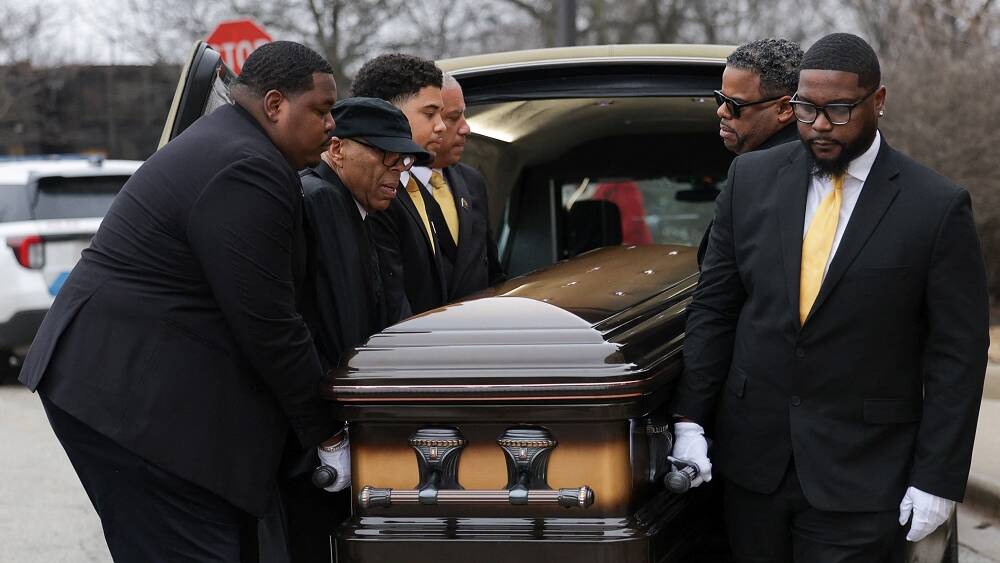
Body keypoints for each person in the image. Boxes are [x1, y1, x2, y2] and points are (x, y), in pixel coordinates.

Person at [18, 41, 350, 562]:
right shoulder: (248, 167)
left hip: (128, 386)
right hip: (127, 399)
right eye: (322, 110)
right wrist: (326, 434)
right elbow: (268, 322)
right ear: (275, 105)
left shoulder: (236, 146)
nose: (332, 125)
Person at [670, 33, 989, 562]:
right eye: (806, 109)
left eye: (838, 110)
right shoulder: (749, 179)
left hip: (865, 476)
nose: (819, 125)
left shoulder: (936, 206)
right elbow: (715, 309)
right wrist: (690, 420)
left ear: (877, 101)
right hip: (754, 469)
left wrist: (938, 477)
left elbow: (958, 353)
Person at [282, 97, 429, 562]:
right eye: (385, 156)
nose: (397, 172)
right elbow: (312, 328)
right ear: (337, 149)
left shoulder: (357, 208)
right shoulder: (319, 200)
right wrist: (329, 435)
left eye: (404, 161)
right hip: (313, 437)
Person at [350, 53, 449, 318]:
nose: (441, 126)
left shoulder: (417, 186)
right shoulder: (371, 196)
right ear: (387, 111)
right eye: (430, 113)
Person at [698, 38, 803, 265]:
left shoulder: (754, 176)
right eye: (720, 98)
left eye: (734, 104)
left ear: (784, 108)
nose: (721, 111)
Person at [422, 72, 504, 301]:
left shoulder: (472, 181)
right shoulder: (392, 188)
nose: (465, 128)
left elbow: (492, 271)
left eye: (463, 115)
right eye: (453, 117)